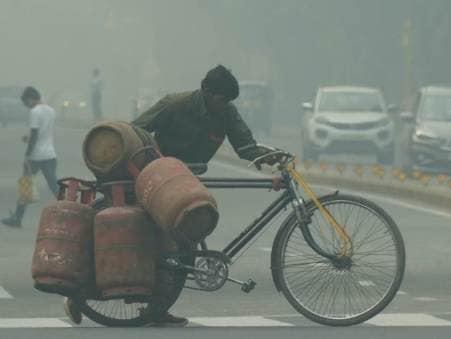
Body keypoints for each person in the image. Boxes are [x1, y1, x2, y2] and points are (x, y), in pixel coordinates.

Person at [63, 65, 282, 327]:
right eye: (220, 100)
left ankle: (156, 310)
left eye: (228, 102)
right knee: (143, 245)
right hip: (156, 182)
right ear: (206, 91)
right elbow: (134, 133)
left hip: (186, 186)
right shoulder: (174, 105)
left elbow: (245, 146)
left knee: (182, 250)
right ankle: (80, 295)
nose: (224, 105)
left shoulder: (226, 113)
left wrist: (272, 158)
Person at [1, 87, 59, 228]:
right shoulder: (51, 111)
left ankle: (17, 218)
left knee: (26, 185)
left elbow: (34, 134)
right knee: (55, 187)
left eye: (26, 103)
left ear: (30, 98)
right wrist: (29, 138)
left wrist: (27, 155)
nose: (26, 106)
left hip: (35, 156)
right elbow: (42, 133)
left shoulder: (35, 112)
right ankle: (72, 212)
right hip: (50, 154)